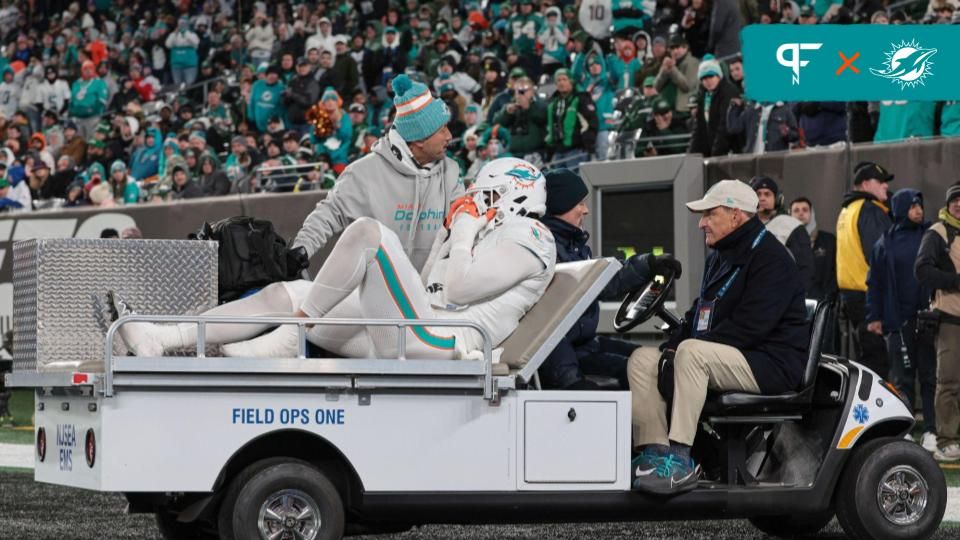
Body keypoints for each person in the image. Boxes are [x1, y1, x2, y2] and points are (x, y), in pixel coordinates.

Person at [114, 157, 554, 363]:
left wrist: (460, 232)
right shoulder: (486, 232)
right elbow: (425, 288)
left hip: (445, 345)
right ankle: (165, 338)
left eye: (485, 195)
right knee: (285, 291)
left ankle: (296, 327)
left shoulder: (531, 234)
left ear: (514, 195)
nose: (473, 202)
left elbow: (459, 290)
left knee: (369, 233)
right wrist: (447, 238)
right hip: (420, 331)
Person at [629, 180, 808, 495]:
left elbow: (751, 327)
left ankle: (682, 459)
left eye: (709, 215)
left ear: (736, 216)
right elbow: (700, 313)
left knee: (692, 353)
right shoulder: (720, 257)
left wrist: (684, 349)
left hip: (770, 363)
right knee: (642, 359)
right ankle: (655, 456)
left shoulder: (772, 258)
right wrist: (673, 345)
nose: (701, 224)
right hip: (734, 354)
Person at [539, 169, 681, 390]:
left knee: (649, 358)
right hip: (564, 354)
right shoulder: (546, 250)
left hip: (585, 345)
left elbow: (602, 280)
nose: (585, 210)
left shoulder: (573, 245)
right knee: (643, 373)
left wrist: (648, 264)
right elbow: (546, 330)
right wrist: (570, 381)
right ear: (560, 206)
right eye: (579, 203)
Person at [866, 189, 937, 452]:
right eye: (912, 206)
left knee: (930, 376)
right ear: (900, 209)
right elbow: (874, 283)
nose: (918, 210)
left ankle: (931, 429)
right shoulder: (884, 242)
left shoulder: (931, 234)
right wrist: (874, 316)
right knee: (901, 379)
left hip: (928, 319)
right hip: (897, 322)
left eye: (920, 205)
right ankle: (905, 430)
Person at [915, 183, 960, 461]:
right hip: (950, 319)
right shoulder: (938, 233)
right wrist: (955, 281)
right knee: (949, 381)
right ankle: (946, 441)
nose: (959, 204)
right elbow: (921, 269)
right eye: (955, 200)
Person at [837, 162, 893, 376]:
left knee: (866, 359)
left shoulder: (847, 209)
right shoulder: (869, 210)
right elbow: (880, 255)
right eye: (881, 182)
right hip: (869, 296)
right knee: (878, 361)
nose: (886, 186)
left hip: (852, 297)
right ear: (867, 184)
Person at [750, 177, 814, 293]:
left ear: (778, 199)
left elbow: (804, 270)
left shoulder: (791, 225)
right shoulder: (745, 227)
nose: (762, 198)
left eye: (767, 194)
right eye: (758, 194)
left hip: (781, 295)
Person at [545, 69, 598, 171]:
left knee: (576, 182)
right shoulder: (553, 102)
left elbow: (592, 121)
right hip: (558, 150)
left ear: (571, 81)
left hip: (576, 150)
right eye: (558, 80)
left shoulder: (582, 98)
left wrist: (587, 145)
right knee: (559, 184)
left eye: (564, 79)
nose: (561, 83)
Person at [790, 197, 838, 302]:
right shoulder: (785, 242)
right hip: (794, 302)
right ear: (790, 215)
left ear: (812, 213)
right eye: (796, 210)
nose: (801, 213)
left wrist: (829, 295)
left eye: (805, 210)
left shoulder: (829, 240)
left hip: (824, 303)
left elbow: (837, 270)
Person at [687, 56, 736, 157]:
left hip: (729, 151)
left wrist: (716, 153)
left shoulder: (728, 92)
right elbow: (699, 126)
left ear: (718, 75)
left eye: (711, 76)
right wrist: (691, 155)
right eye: (704, 78)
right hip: (712, 148)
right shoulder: (703, 95)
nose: (708, 81)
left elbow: (724, 125)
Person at [494, 76, 547, 163]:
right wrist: (507, 113)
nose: (520, 94)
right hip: (514, 154)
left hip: (535, 153)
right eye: (518, 91)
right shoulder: (510, 105)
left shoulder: (539, 104)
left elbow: (543, 118)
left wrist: (528, 108)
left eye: (523, 91)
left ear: (532, 91)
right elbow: (497, 121)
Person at [654, 35, 699, 114]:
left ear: (686, 48)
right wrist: (664, 71)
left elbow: (688, 87)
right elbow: (656, 87)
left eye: (678, 47)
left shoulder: (692, 62)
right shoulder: (671, 62)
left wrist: (672, 69)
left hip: (684, 110)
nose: (675, 51)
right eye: (672, 49)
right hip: (667, 109)